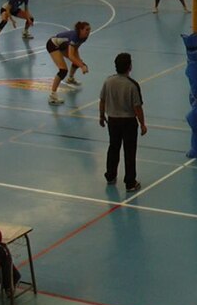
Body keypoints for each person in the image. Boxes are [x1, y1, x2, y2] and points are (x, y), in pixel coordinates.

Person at [99, 52, 147, 192]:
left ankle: (110, 175)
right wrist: (142, 124)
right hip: (128, 122)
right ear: (129, 67)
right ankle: (130, 182)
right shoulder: (132, 85)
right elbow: (137, 107)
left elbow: (102, 100)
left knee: (113, 148)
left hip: (113, 121)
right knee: (129, 151)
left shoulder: (108, 81)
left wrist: (102, 116)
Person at [47, 21, 91, 105]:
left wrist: (80, 62)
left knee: (78, 61)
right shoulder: (74, 36)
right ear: (80, 30)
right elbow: (71, 56)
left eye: (89, 30)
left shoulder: (84, 37)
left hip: (63, 46)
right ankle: (52, 96)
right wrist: (82, 66)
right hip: (53, 44)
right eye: (87, 30)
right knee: (63, 70)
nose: (88, 32)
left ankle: (70, 79)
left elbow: (76, 49)